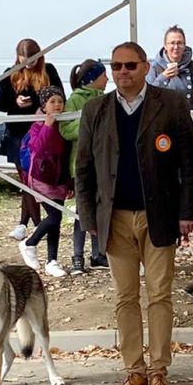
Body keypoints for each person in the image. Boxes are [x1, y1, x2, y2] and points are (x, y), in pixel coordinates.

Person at [76, 41, 193, 385]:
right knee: (125, 297)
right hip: (113, 218)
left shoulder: (172, 104)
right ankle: (134, 370)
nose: (123, 72)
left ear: (146, 67)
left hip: (159, 216)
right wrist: (88, 216)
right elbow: (83, 168)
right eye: (116, 66)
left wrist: (187, 212)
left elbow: (189, 163)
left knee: (160, 295)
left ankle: (159, 370)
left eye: (130, 65)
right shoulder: (95, 110)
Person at [0, 38, 63, 241]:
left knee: (35, 180)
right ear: (18, 58)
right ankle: (36, 226)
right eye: (25, 60)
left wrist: (41, 106)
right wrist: (15, 102)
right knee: (27, 181)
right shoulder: (10, 72)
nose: (29, 64)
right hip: (17, 135)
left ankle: (25, 224)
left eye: (33, 60)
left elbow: (60, 96)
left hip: (42, 133)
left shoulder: (49, 70)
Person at [60, 59, 109, 275]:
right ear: (93, 79)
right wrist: (87, 121)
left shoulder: (107, 99)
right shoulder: (75, 100)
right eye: (103, 75)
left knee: (101, 209)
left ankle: (98, 254)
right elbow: (65, 129)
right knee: (82, 212)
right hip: (82, 166)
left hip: (103, 164)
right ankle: (77, 257)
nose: (107, 79)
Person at [19, 87, 74, 277]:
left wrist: (70, 183)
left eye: (60, 101)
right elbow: (38, 148)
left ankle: (52, 260)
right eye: (52, 102)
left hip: (58, 178)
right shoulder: (37, 124)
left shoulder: (65, 122)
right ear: (44, 105)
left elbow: (67, 155)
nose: (57, 105)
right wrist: (47, 126)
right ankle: (29, 243)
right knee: (54, 217)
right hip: (41, 177)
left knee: (56, 221)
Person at [146, 25, 193, 110]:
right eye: (172, 43)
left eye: (179, 43)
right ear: (165, 46)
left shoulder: (192, 67)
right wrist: (164, 78)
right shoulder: (154, 67)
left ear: (184, 45)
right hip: (162, 119)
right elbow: (147, 97)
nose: (176, 47)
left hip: (187, 118)